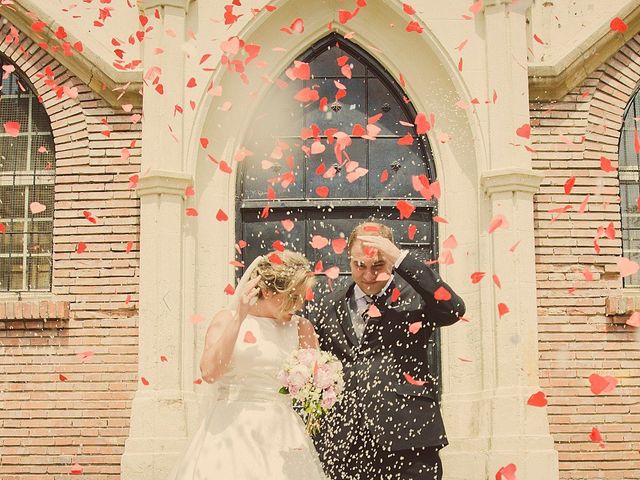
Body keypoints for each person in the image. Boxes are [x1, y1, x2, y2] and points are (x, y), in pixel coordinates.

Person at [312, 221, 466, 480]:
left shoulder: (417, 297)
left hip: (408, 438)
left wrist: (400, 258)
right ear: (349, 259)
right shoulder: (329, 304)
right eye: (359, 265)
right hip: (346, 442)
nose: (368, 275)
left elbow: (454, 310)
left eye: (378, 266)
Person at [169, 250, 328, 480]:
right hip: (229, 429)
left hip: (281, 431)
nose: (300, 302)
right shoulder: (227, 319)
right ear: (265, 291)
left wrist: (322, 384)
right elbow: (210, 373)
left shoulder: (302, 327)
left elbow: (314, 384)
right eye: (292, 295)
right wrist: (239, 318)